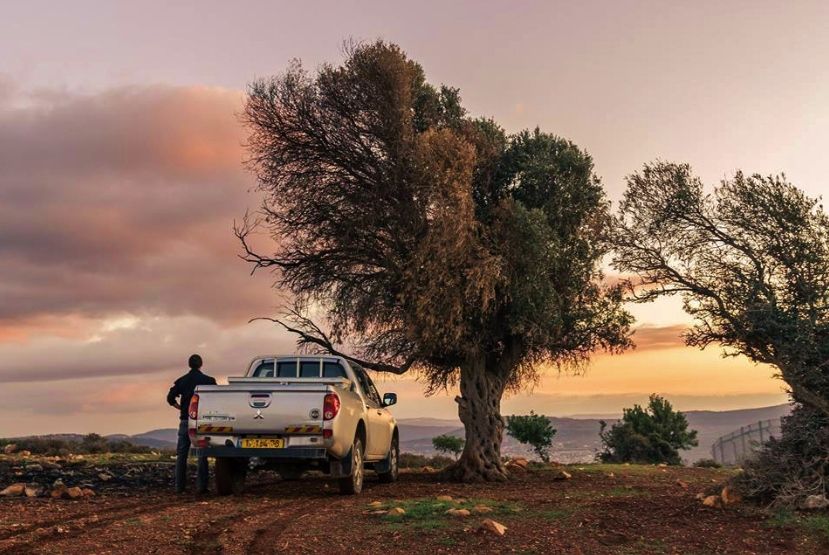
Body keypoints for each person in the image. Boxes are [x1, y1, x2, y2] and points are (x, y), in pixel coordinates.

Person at [167, 354, 216, 493]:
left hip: (185, 420)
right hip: (202, 421)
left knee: (182, 455)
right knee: (202, 453)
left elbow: (170, 398)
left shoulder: (182, 381)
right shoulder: (209, 381)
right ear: (201, 364)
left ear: (189, 364)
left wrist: (180, 408)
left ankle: (179, 487)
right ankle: (202, 487)